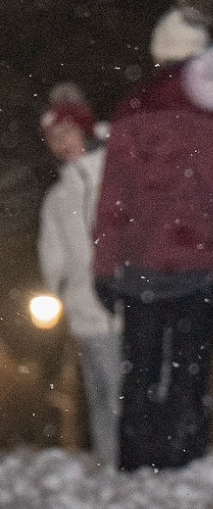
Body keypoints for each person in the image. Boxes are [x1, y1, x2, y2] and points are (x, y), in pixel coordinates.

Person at [93, 0, 213, 472]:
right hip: (203, 264)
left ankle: (136, 461)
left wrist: (105, 266)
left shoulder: (135, 106)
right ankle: (182, 460)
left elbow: (114, 197)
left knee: (141, 369)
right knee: (190, 370)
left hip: (141, 261)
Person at [36, 86, 119, 468]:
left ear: (83, 129)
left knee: (123, 390)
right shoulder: (58, 197)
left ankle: (131, 465)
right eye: (53, 138)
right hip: (84, 310)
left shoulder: (116, 174)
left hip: (123, 302)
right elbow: (51, 253)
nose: (60, 143)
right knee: (100, 393)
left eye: (66, 132)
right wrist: (57, 292)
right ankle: (109, 463)